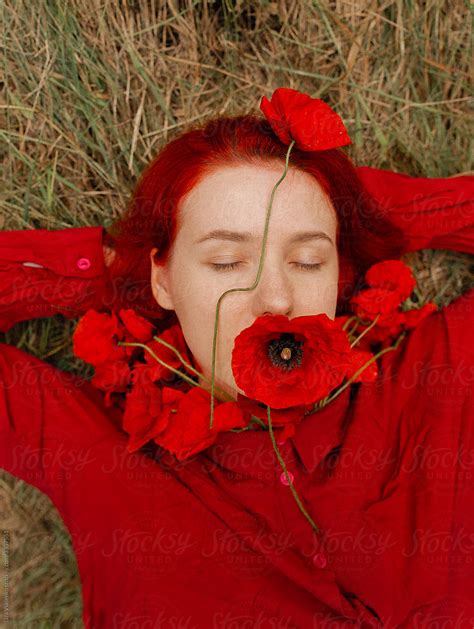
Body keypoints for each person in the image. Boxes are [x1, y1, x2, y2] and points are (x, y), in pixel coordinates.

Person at [0, 89, 473, 628]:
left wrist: (354, 214)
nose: (275, 298)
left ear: (338, 275)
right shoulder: (105, 460)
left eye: (307, 259)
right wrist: (112, 272)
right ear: (164, 279)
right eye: (226, 262)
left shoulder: (436, 386)